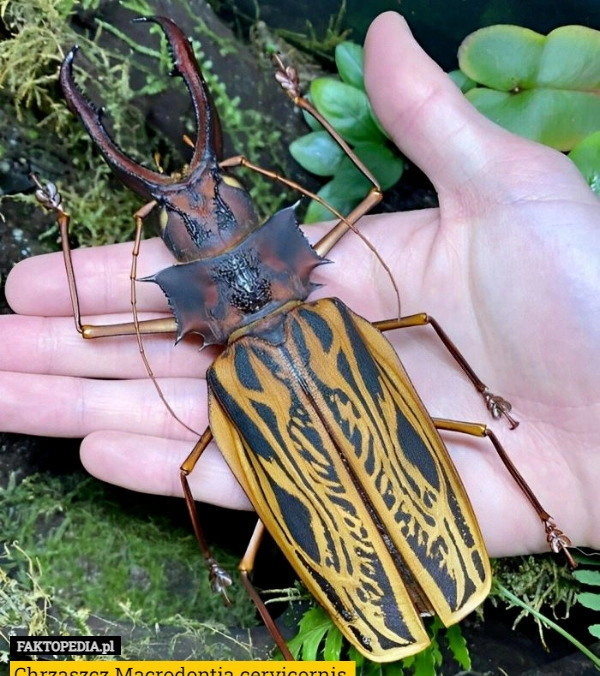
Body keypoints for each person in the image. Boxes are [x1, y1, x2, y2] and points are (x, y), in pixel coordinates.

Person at [2, 12, 598, 557]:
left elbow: (86, 329)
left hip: (298, 414)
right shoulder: (318, 311)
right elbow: (372, 191)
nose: (201, 202)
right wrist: (303, 104)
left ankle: (304, 672)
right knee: (478, 428)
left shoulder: (232, 344)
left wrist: (61, 223)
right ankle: (547, 519)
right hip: (320, 399)